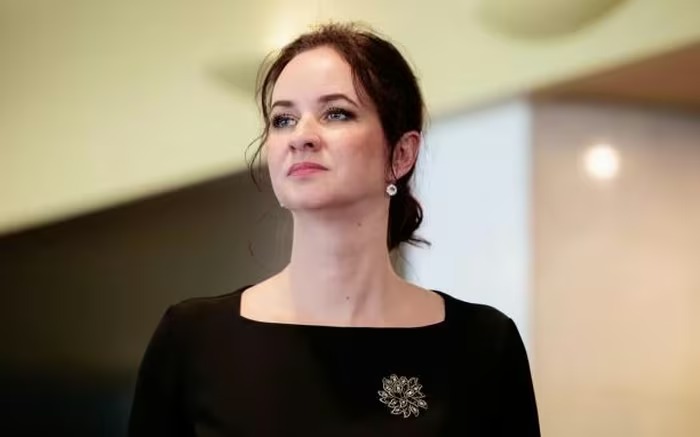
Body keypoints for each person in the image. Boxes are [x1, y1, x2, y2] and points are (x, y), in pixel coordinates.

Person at [128, 22, 540, 436]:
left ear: (401, 154)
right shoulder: (194, 339)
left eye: (336, 113)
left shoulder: (483, 345)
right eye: (283, 119)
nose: (301, 136)